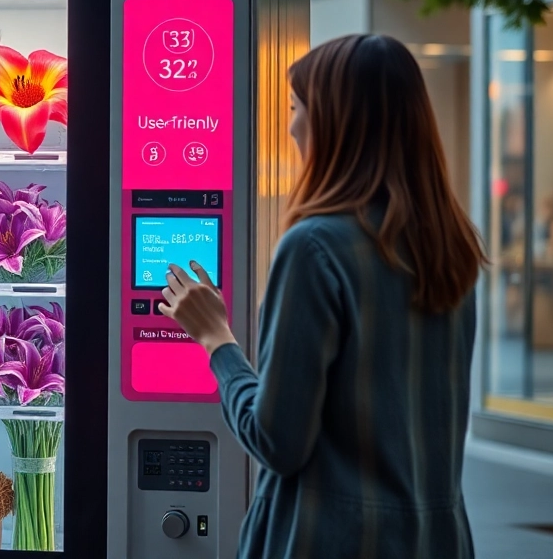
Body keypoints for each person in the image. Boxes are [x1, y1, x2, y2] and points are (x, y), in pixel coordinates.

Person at [162, 34, 485, 558]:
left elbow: (276, 441)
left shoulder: (315, 248)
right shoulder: (453, 245)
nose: (291, 127)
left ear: (336, 123)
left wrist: (216, 338)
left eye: (295, 108)